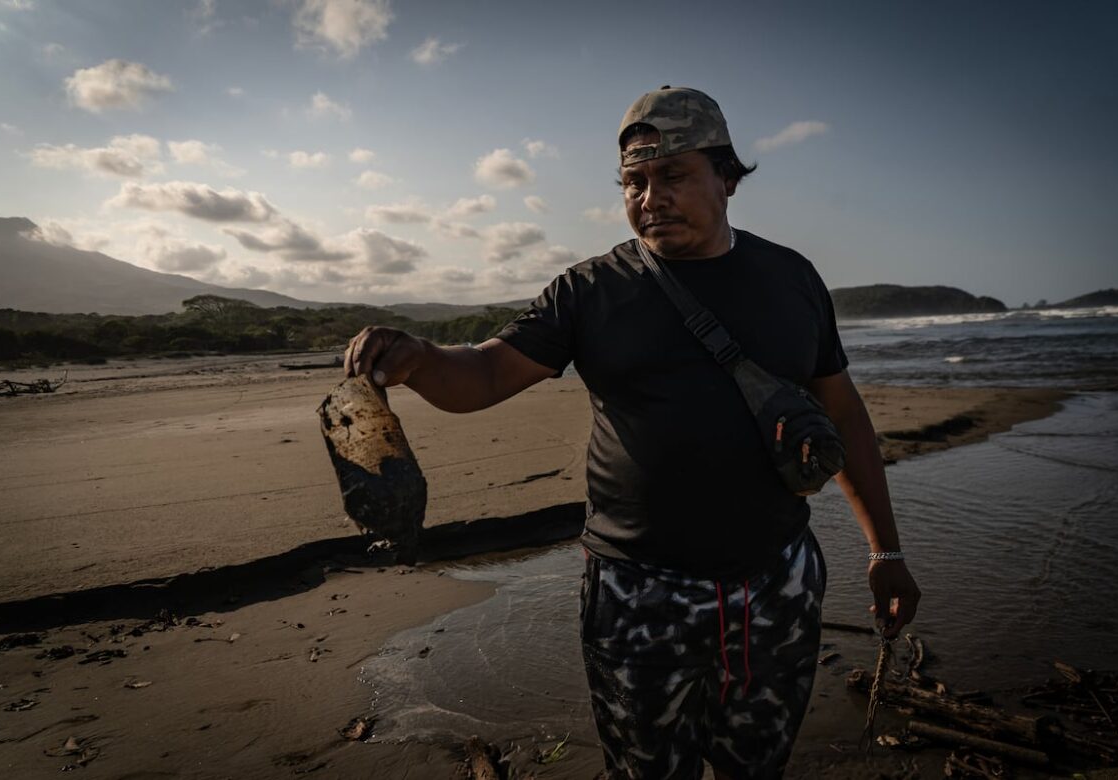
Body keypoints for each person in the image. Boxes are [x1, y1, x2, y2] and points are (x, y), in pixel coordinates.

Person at [344, 86, 920, 780]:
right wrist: (420, 361)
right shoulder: (590, 291)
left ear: (728, 178)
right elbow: (487, 375)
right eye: (635, 182)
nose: (651, 197)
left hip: (777, 581)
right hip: (638, 592)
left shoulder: (791, 279)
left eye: (673, 176)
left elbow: (844, 414)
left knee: (758, 764)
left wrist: (884, 548)